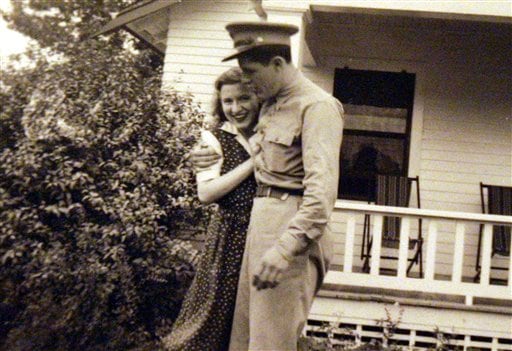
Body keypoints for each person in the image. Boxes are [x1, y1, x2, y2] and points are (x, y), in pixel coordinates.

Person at [222, 21, 344, 351]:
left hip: (290, 230)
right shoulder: (272, 101)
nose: (245, 81)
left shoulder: (317, 107)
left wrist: (285, 249)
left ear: (278, 64)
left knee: (270, 345)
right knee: (245, 341)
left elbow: (321, 196)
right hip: (261, 225)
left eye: (251, 71)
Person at [162, 67, 260, 351]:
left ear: (258, 98)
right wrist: (252, 163)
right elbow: (205, 192)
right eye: (228, 101)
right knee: (211, 319)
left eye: (243, 99)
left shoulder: (269, 133)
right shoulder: (215, 139)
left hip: (263, 237)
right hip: (229, 240)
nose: (236, 108)